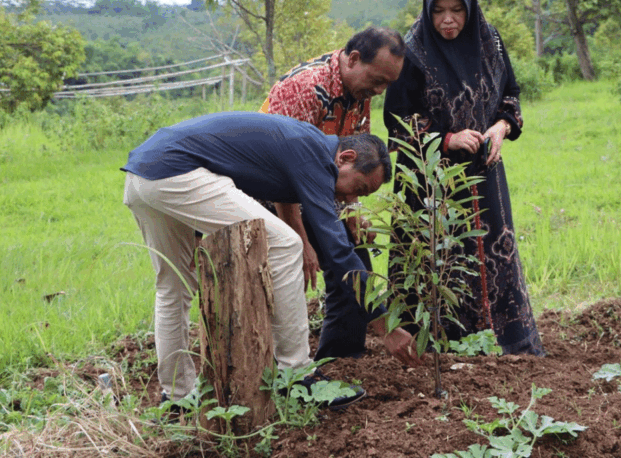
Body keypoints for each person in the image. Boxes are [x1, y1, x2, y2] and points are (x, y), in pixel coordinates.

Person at [121, 111, 407, 407]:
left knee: (173, 288)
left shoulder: (305, 143)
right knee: (285, 245)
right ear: (344, 158)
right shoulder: (315, 156)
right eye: (358, 189)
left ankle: (177, 396)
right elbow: (337, 251)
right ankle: (296, 375)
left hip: (142, 176)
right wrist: (383, 323)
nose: (350, 200)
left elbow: (284, 192)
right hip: (176, 172)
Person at [383, 0, 544, 356]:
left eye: (456, 10)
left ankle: (506, 342)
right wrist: (447, 138)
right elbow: (397, 121)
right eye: (438, 11)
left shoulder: (491, 42)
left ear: (470, 8)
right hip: (432, 181)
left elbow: (510, 95)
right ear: (427, 9)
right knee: (440, 258)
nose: (448, 20)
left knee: (493, 253)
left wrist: (501, 128)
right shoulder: (413, 54)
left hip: (485, 176)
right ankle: (436, 346)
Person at [260, 27, 421, 365]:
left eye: (385, 86)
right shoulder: (304, 89)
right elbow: (281, 173)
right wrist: (301, 240)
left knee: (355, 259)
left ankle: (341, 360)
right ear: (354, 59)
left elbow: (355, 157)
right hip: (271, 199)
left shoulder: (360, 94)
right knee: (294, 265)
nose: (378, 91)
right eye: (376, 80)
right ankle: (283, 364)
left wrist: (353, 212)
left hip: (320, 195)